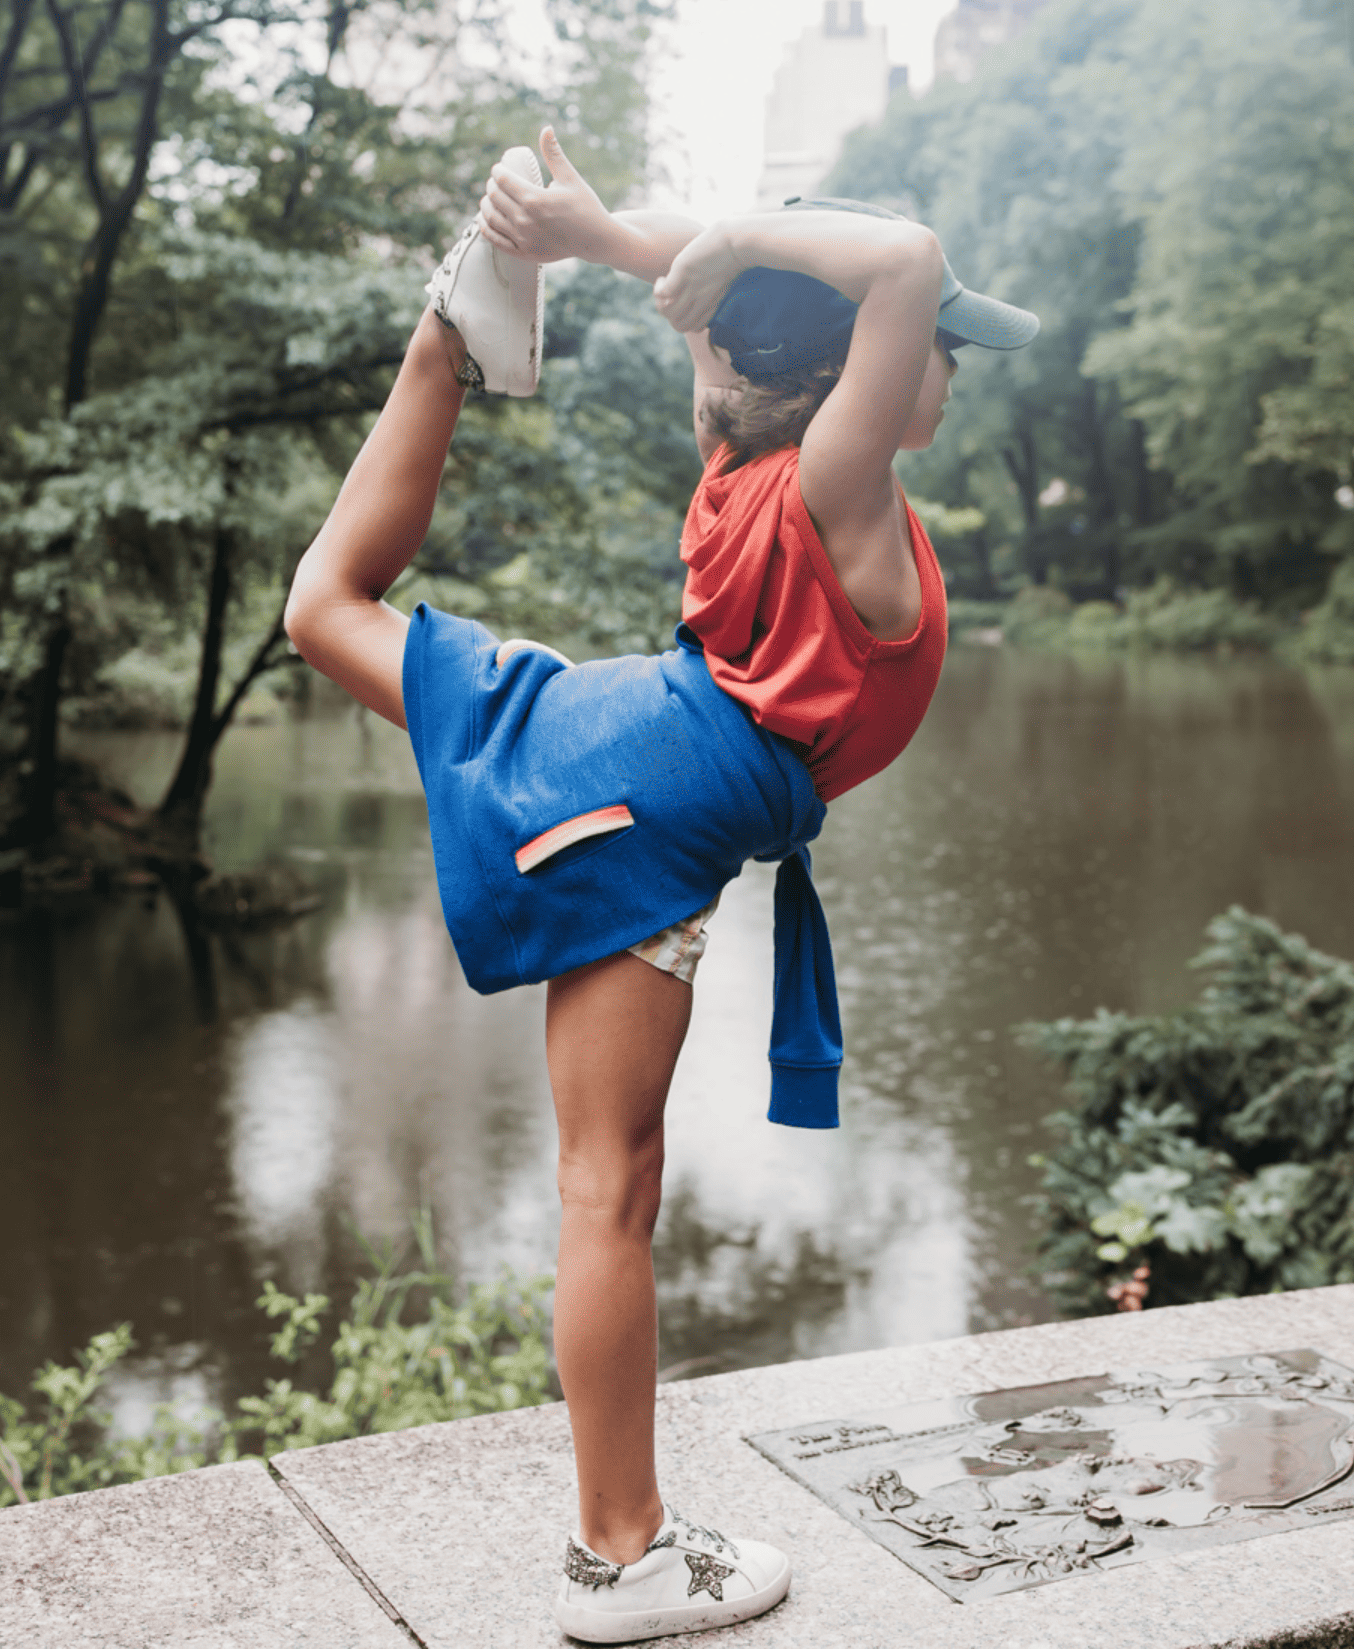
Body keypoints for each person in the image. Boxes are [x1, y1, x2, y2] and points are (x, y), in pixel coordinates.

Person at [284, 127, 1037, 1644]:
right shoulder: (840, 492)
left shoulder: (744, 459)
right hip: (636, 803)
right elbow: (900, 262)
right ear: (851, 383)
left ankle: (457, 322)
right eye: (932, 353)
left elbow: (779, 297)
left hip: (619, 748)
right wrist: (633, 241)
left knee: (323, 607)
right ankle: (621, 1551)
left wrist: (592, 233)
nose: (945, 359)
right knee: (608, 1188)